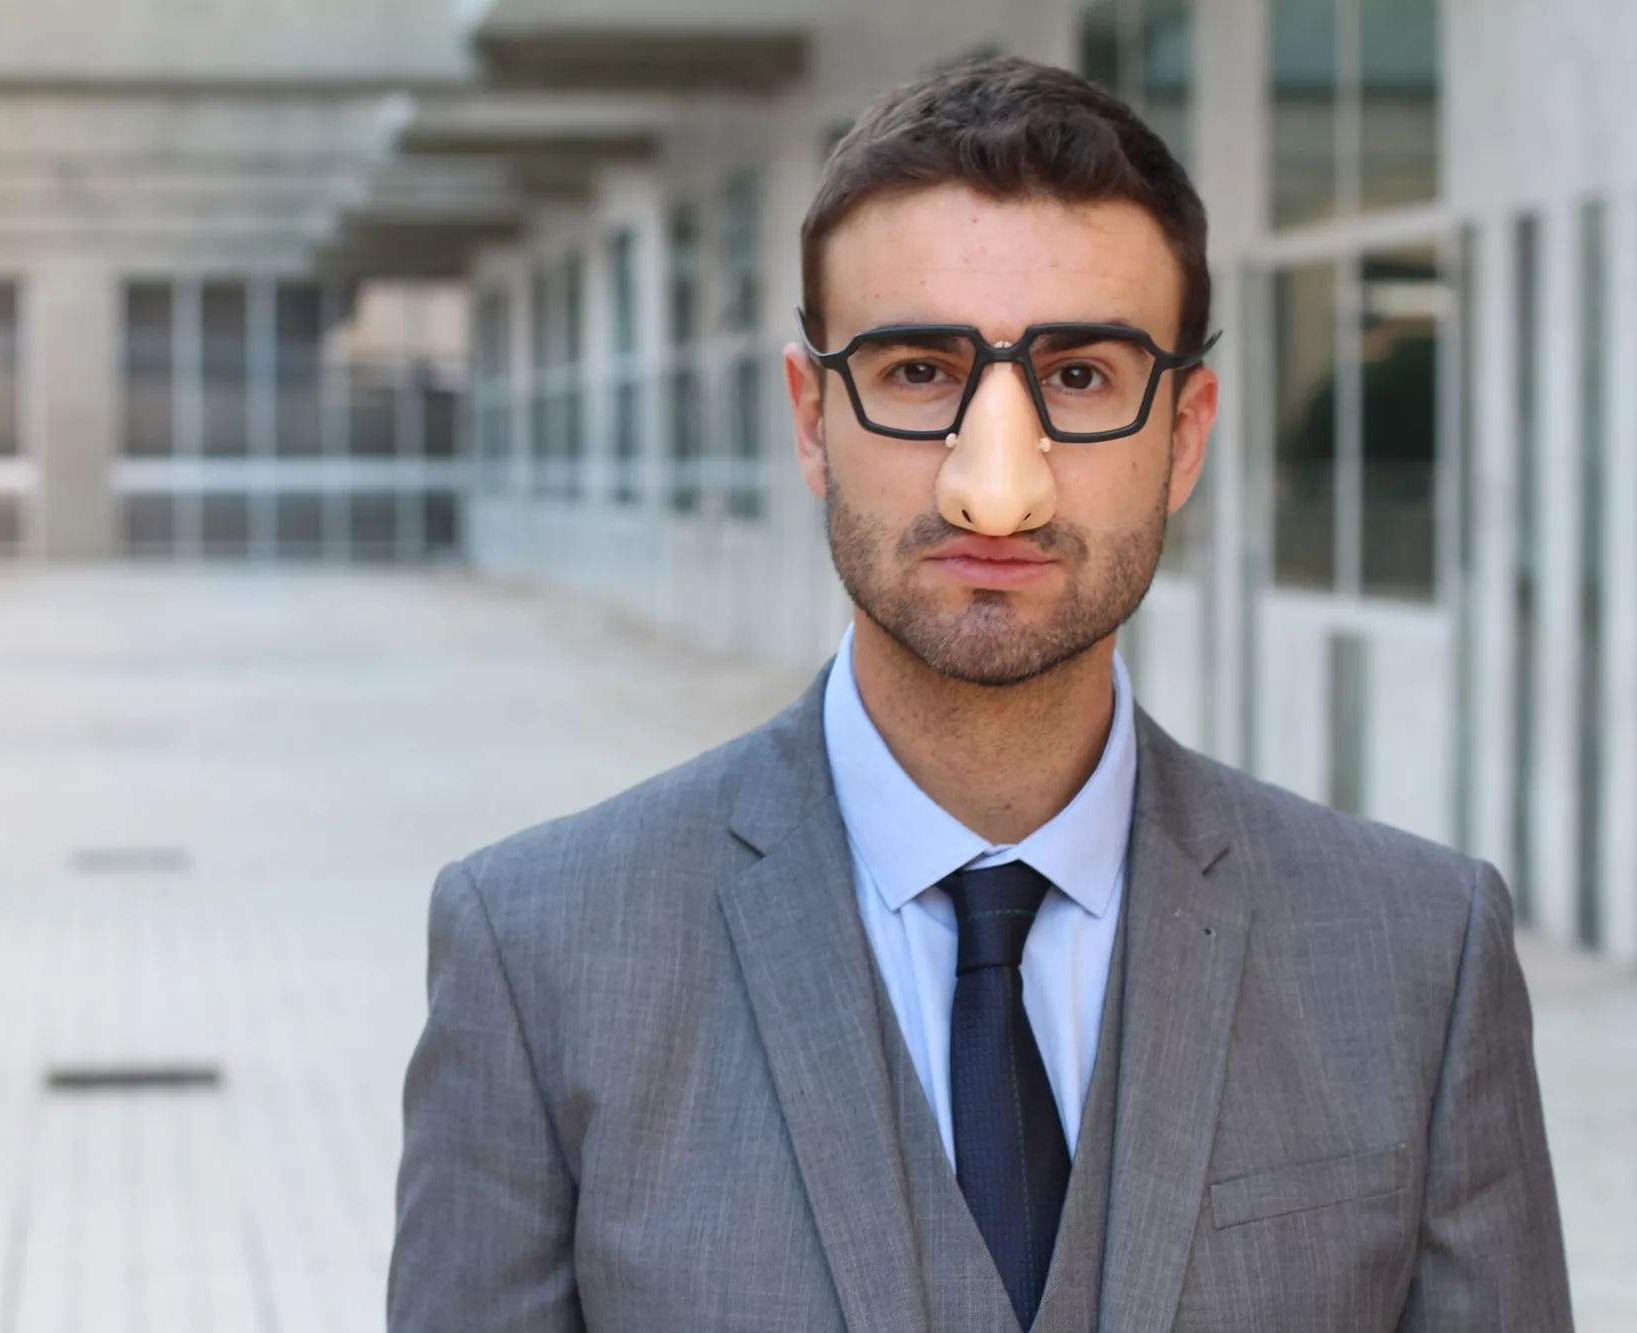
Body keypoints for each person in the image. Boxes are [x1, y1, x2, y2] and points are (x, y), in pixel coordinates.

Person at [388, 54, 1571, 1333]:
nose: (990, 489)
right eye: (915, 373)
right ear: (808, 419)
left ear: (1181, 436)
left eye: (1078, 377)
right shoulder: (540, 952)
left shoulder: (1415, 953)